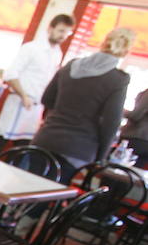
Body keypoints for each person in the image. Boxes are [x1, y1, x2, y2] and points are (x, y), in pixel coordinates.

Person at [30, 26, 136, 184]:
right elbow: (111, 123)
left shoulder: (70, 66)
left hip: (45, 138)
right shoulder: (118, 79)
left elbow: (47, 99)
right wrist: (100, 158)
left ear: (103, 43)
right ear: (126, 50)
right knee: (47, 196)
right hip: (78, 149)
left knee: (27, 189)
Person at [0, 14, 76, 157]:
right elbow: (10, 74)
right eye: (60, 31)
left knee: (23, 149)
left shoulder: (57, 53)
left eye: (67, 33)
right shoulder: (31, 48)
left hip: (36, 107)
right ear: (50, 28)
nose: (63, 36)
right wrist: (24, 95)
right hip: (19, 102)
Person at [121, 88, 148, 168]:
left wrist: (119, 110)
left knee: (117, 168)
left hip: (136, 138)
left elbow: (136, 116)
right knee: (134, 174)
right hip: (145, 143)